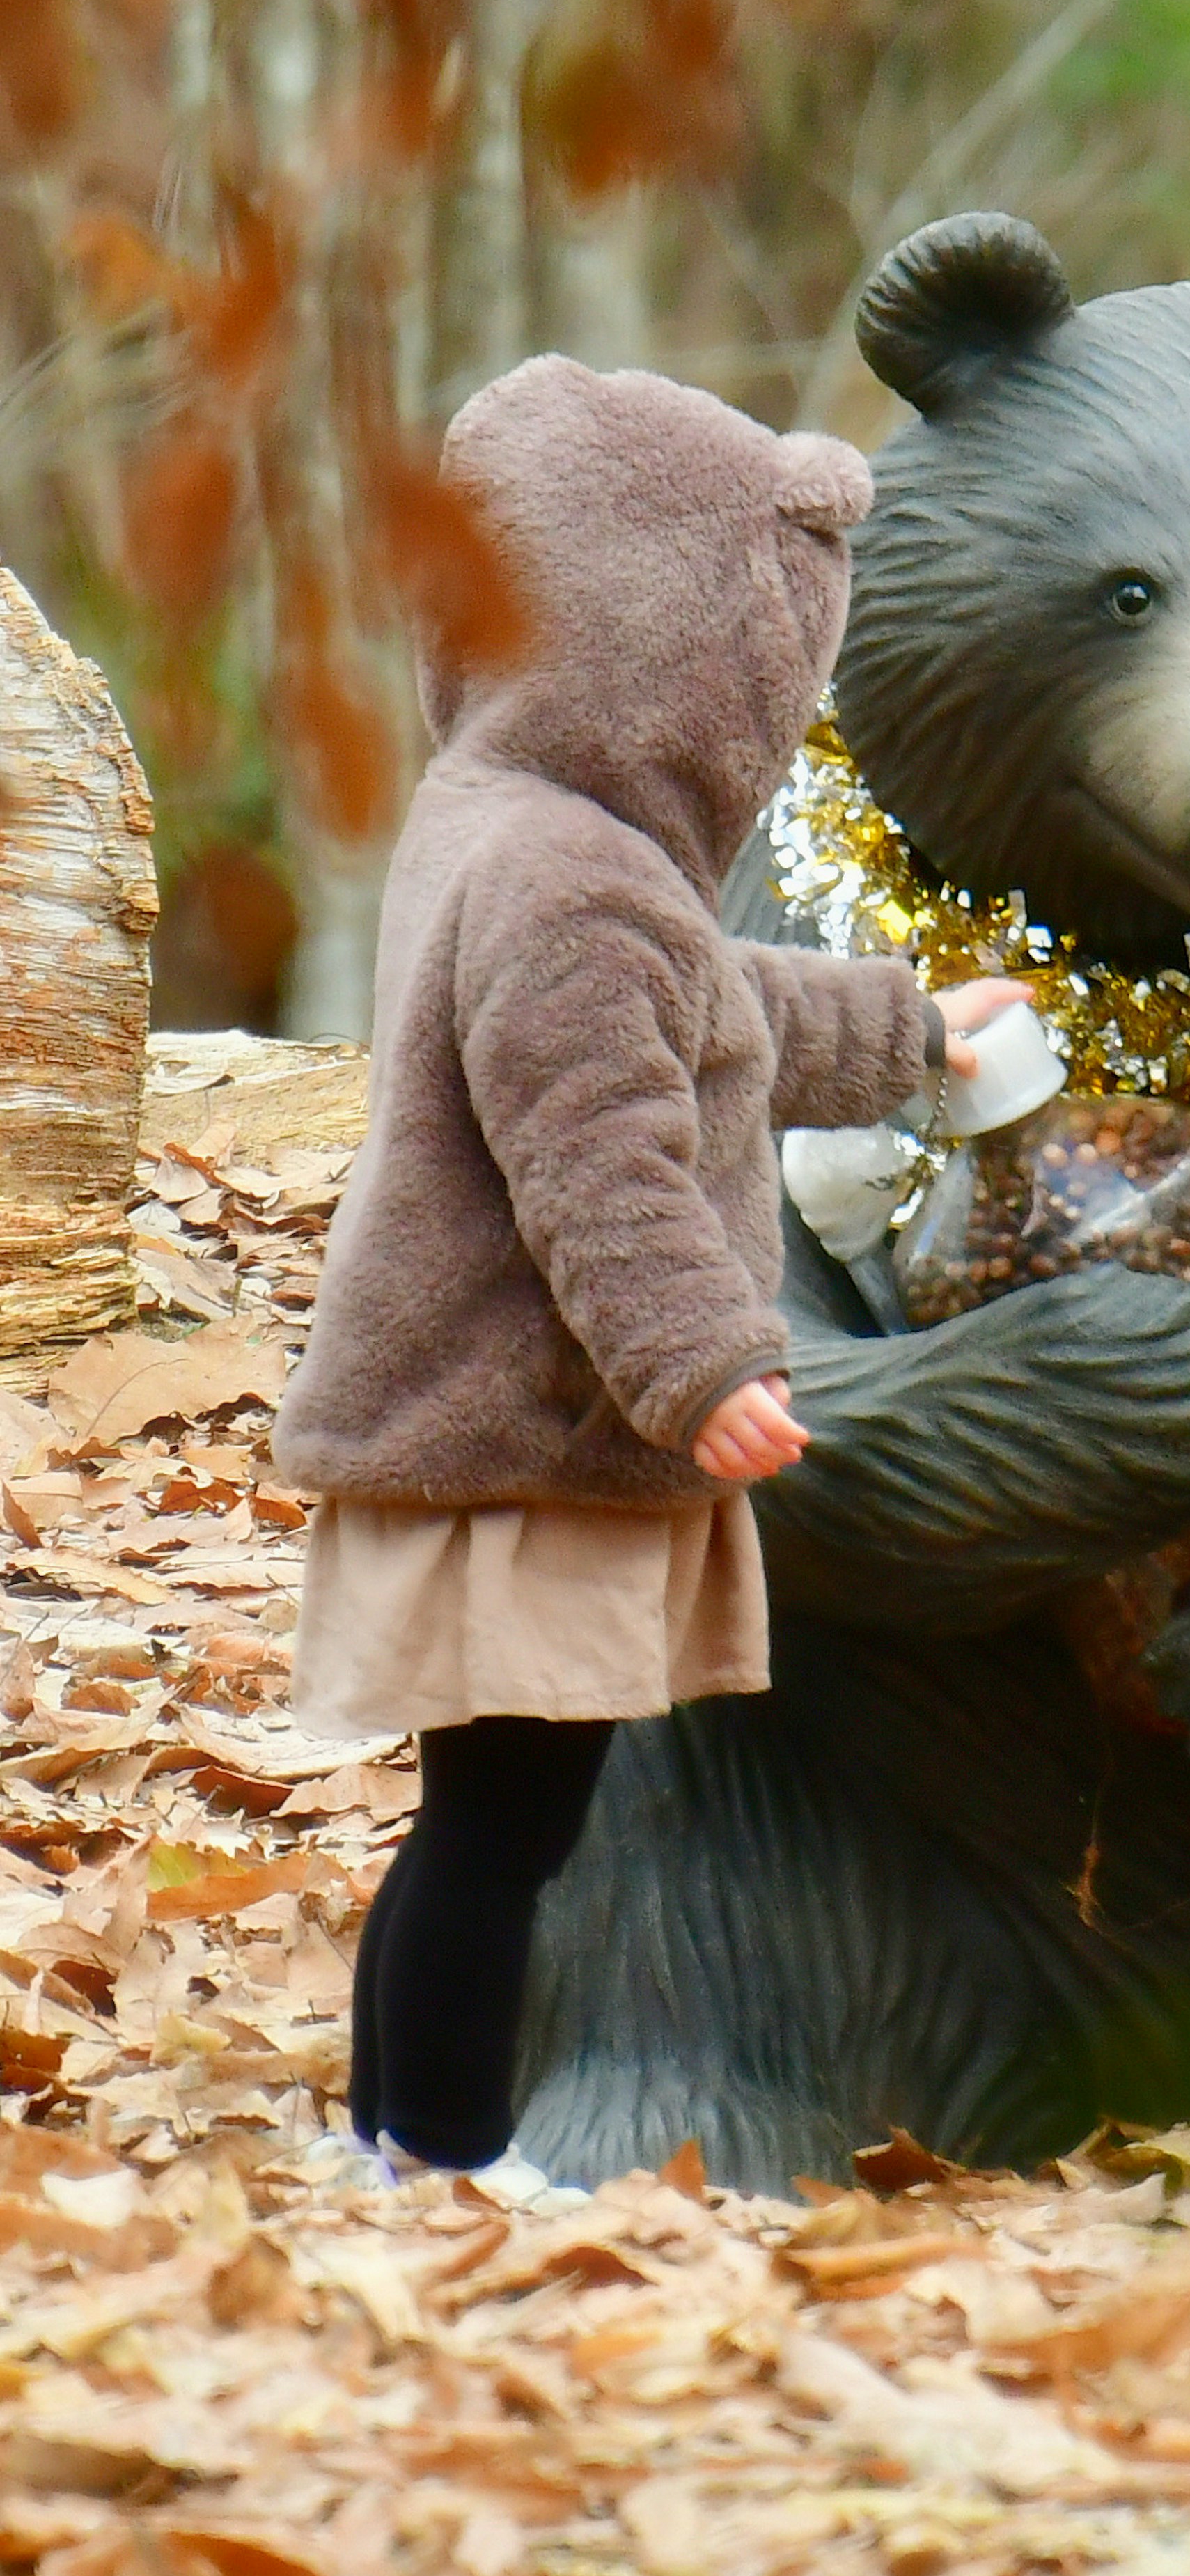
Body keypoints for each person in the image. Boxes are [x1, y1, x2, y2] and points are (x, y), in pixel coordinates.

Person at [272, 355, 1027, 2193]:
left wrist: (918, 1035)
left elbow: (716, 1016)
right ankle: (440, 2156)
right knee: (506, 1835)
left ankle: (398, 2138)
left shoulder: (512, 823)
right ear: (689, 653)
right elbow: (593, 1157)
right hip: (529, 1437)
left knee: (475, 1826)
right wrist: (703, 1362)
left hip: (492, 1426)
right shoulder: (575, 877)